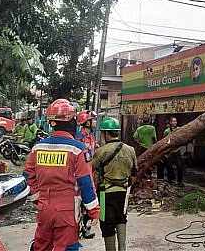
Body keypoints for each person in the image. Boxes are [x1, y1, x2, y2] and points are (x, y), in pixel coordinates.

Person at [23, 99, 100, 251]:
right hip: (67, 210)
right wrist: (93, 210)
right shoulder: (78, 149)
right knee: (66, 247)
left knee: (41, 246)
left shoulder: (38, 148)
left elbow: (28, 178)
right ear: (72, 121)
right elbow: (85, 182)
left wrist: (39, 200)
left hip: (44, 209)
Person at [92, 117, 137, 251]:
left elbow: (90, 170)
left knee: (107, 224)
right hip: (123, 193)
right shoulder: (130, 150)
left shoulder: (101, 151)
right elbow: (134, 173)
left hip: (106, 194)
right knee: (121, 218)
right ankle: (122, 248)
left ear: (106, 133)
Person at [75, 109, 99, 239]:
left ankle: (85, 226)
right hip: (83, 174)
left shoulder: (91, 137)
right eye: (93, 120)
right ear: (87, 122)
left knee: (88, 201)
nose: (95, 122)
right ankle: (82, 228)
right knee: (83, 202)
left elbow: (94, 149)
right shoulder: (79, 138)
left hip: (91, 172)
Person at [165, 117, 184, 186]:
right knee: (169, 166)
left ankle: (180, 181)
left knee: (179, 166)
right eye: (173, 121)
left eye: (175, 121)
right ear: (170, 123)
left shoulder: (179, 129)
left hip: (177, 150)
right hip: (170, 151)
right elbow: (165, 141)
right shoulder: (167, 131)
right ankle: (170, 180)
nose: (175, 122)